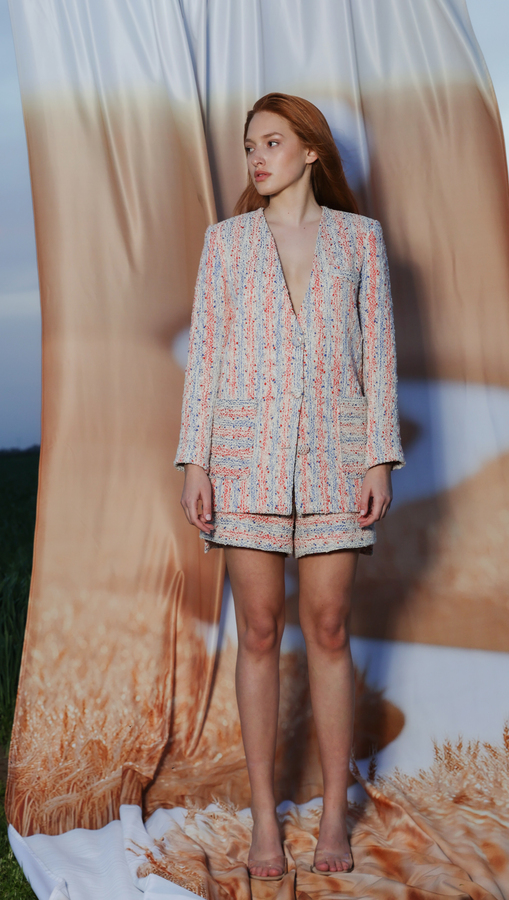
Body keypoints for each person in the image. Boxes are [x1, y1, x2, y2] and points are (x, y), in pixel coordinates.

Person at [175, 92, 404, 881]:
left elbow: (379, 353)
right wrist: (195, 460)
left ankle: (336, 812)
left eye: (271, 143)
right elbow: (206, 356)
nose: (256, 158)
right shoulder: (226, 242)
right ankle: (264, 819)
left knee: (330, 626)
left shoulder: (361, 239)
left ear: (309, 149)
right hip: (245, 459)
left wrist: (379, 457)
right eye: (249, 147)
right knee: (261, 630)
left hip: (338, 456)